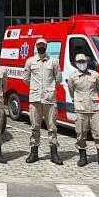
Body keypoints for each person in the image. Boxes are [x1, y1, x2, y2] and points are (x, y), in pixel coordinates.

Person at [24, 37, 62, 165]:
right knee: (35, 126)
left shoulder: (53, 62)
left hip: (49, 99)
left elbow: (58, 79)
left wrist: (49, 88)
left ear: (46, 47)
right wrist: (35, 88)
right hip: (35, 99)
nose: (41, 47)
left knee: (52, 127)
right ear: (36, 47)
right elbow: (26, 79)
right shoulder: (30, 61)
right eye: (39, 45)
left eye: (43, 45)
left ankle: (54, 153)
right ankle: (34, 153)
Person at [67, 53, 99, 168]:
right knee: (81, 134)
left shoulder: (95, 75)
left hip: (94, 108)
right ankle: (83, 156)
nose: (82, 63)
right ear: (76, 63)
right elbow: (72, 91)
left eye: (83, 61)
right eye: (79, 61)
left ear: (87, 61)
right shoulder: (73, 77)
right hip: (81, 109)